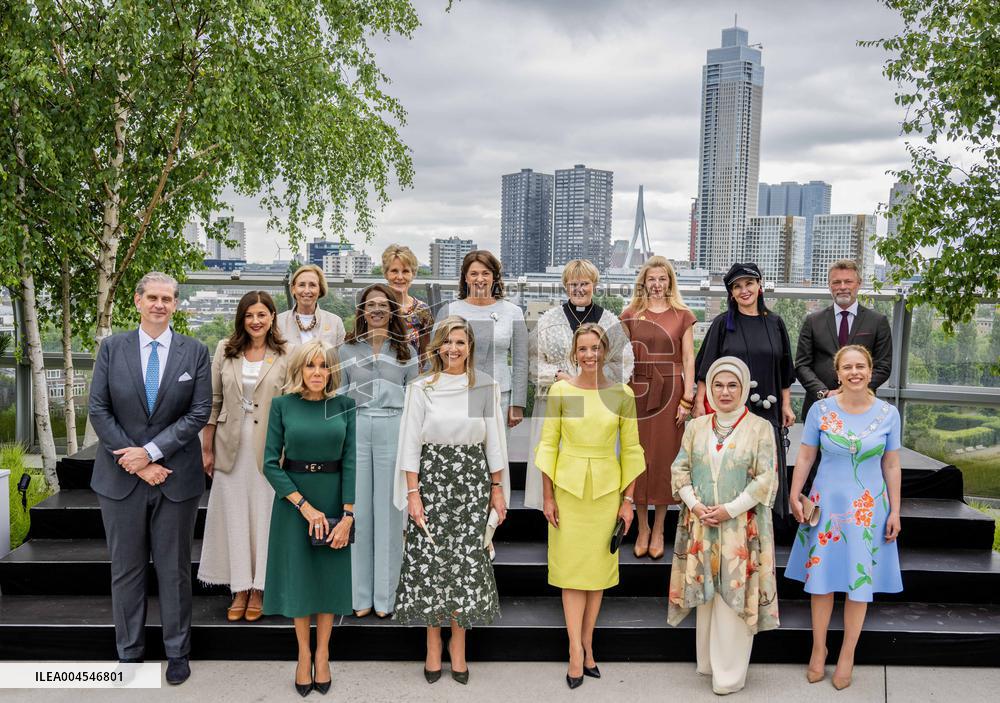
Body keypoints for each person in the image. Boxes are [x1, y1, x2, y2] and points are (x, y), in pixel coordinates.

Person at [88, 271, 211, 685]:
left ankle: (177, 653)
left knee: (174, 570)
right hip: (120, 479)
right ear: (138, 301)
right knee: (127, 569)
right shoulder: (112, 348)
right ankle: (129, 653)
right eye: (153, 297)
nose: (160, 304)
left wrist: (152, 453)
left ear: (175, 305)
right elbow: (99, 409)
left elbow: (199, 412)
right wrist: (138, 461)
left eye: (167, 299)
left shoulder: (195, 352)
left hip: (176, 478)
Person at [392, 316, 510, 685]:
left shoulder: (483, 386)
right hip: (431, 481)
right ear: (437, 347)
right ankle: (432, 645)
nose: (453, 348)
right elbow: (410, 442)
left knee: (465, 563)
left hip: (472, 481)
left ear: (470, 347)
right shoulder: (422, 387)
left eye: (460, 342)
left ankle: (458, 645)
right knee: (431, 562)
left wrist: (497, 488)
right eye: (447, 341)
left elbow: (494, 441)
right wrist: (413, 493)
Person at [535, 323, 646, 690]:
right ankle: (574, 650)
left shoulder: (621, 394)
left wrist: (628, 501)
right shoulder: (562, 391)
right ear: (574, 353)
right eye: (583, 349)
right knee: (571, 574)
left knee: (597, 575)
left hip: (606, 495)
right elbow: (548, 445)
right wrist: (547, 496)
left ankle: (588, 644)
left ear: (605, 351)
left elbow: (631, 451)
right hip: (567, 493)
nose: (589, 355)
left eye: (595, 348)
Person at [786, 345, 902, 691]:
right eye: (847, 367)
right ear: (837, 373)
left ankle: (848, 654)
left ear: (870, 371)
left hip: (869, 509)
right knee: (821, 582)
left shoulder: (888, 414)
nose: (855, 372)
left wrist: (896, 510)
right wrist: (794, 493)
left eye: (860, 366)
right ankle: (818, 648)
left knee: (858, 584)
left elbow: (891, 464)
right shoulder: (820, 410)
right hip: (826, 506)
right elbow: (805, 456)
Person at [667, 356, 779, 696]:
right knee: (706, 595)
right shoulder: (696, 427)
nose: (725, 391)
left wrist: (729, 510)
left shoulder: (760, 428)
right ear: (710, 388)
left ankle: (728, 674)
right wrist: (695, 504)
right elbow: (680, 469)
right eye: (718, 384)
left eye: (732, 385)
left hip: (741, 528)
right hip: (701, 523)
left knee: (732, 595)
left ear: (743, 388)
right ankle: (708, 662)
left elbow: (766, 478)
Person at [261, 340, 356, 696]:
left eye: (324, 365)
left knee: (328, 580)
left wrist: (347, 515)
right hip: (294, 505)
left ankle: (323, 653)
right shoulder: (282, 405)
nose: (318, 372)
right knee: (300, 580)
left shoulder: (345, 406)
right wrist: (304, 507)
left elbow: (351, 461)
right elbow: (270, 464)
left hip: (333, 502)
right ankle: (303, 655)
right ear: (299, 369)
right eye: (311, 365)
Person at [200, 291, 289, 622]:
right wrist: (207, 447)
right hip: (230, 445)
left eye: (262, 314)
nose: (256, 321)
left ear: (272, 317)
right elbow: (213, 400)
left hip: (271, 448)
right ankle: (239, 588)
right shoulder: (226, 349)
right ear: (241, 318)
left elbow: (291, 403)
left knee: (264, 516)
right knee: (235, 517)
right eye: (249, 315)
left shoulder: (286, 353)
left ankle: (260, 588)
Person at [526, 258, 634, 509]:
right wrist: (561, 377)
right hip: (557, 400)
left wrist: (594, 380)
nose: (579, 289)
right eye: (573, 284)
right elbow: (533, 362)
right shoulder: (549, 320)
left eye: (584, 283)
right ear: (565, 286)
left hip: (597, 405)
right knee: (553, 457)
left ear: (594, 284)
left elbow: (624, 363)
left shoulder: (610, 322)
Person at [339, 283, 419, 619]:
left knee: (389, 512)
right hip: (357, 426)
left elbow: (414, 397)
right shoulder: (345, 349)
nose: (376, 309)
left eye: (382, 305)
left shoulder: (406, 350)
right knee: (358, 510)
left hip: (393, 426)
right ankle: (360, 597)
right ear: (362, 310)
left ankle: (386, 597)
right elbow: (339, 396)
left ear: (391, 310)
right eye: (370, 304)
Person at [694, 262, 795, 518]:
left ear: (759, 286)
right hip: (730, 413)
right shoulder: (722, 324)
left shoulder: (775, 323)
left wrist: (786, 405)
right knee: (734, 473)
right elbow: (705, 368)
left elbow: (785, 369)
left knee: (765, 472)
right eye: (737, 286)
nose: (744, 290)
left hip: (768, 411)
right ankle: (732, 524)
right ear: (731, 293)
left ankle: (763, 528)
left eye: (749, 283)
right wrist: (698, 403)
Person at [619, 256, 696, 559]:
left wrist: (687, 398)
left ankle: (660, 527)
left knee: (665, 458)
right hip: (638, 390)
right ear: (643, 282)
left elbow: (688, 358)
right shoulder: (630, 314)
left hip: (671, 392)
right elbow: (620, 357)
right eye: (651, 279)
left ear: (670, 282)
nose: (657, 284)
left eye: (662, 278)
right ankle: (642, 527)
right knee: (638, 456)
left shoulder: (683, 315)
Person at [435, 250, 528, 431]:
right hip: (455, 395)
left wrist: (517, 403)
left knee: (497, 448)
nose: (480, 279)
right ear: (465, 278)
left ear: (494, 277)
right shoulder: (448, 311)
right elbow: (435, 357)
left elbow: (521, 361)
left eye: (486, 273)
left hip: (499, 396)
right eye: (474, 274)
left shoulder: (513, 312)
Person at [795, 259, 893, 422]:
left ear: (859, 284)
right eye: (836, 282)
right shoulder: (813, 321)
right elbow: (802, 365)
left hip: (862, 407)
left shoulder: (877, 321)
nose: (842, 287)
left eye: (848, 281)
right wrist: (824, 393)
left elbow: (883, 366)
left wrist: (853, 391)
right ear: (829, 285)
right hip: (820, 407)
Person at [382, 244, 434, 364]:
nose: (400, 277)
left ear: (413, 274)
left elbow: (426, 355)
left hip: (413, 373)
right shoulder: (375, 308)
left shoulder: (422, 310)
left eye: (405, 271)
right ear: (386, 274)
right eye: (394, 271)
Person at [276, 263, 346, 349]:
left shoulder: (335, 323)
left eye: (312, 285)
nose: (306, 291)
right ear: (293, 289)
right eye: (301, 285)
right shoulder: (279, 322)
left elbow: (342, 356)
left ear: (320, 290)